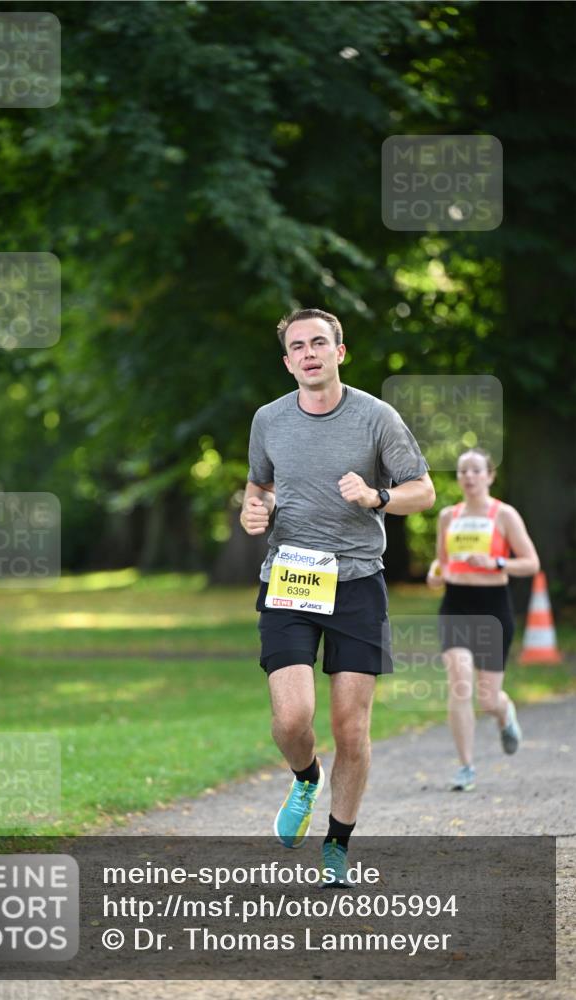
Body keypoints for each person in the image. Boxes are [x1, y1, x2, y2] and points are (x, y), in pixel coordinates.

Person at [240, 307, 434, 886]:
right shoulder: (269, 419)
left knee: (352, 729)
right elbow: (260, 485)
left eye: (319, 343)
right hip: (291, 576)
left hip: (356, 583)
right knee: (292, 716)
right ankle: (304, 776)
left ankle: (337, 846)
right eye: (297, 346)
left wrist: (377, 497)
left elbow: (421, 491)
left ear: (339, 352)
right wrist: (256, 510)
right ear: (287, 361)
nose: (309, 354)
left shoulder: (376, 417)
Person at [427, 448, 540, 791]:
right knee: (460, 682)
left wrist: (497, 563)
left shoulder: (503, 515)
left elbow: (531, 563)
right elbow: (441, 563)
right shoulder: (448, 516)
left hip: (493, 608)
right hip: (456, 605)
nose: (469, 477)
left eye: (476, 470)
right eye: (463, 471)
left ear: (489, 476)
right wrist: (435, 574)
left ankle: (505, 715)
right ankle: (466, 767)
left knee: (488, 699)